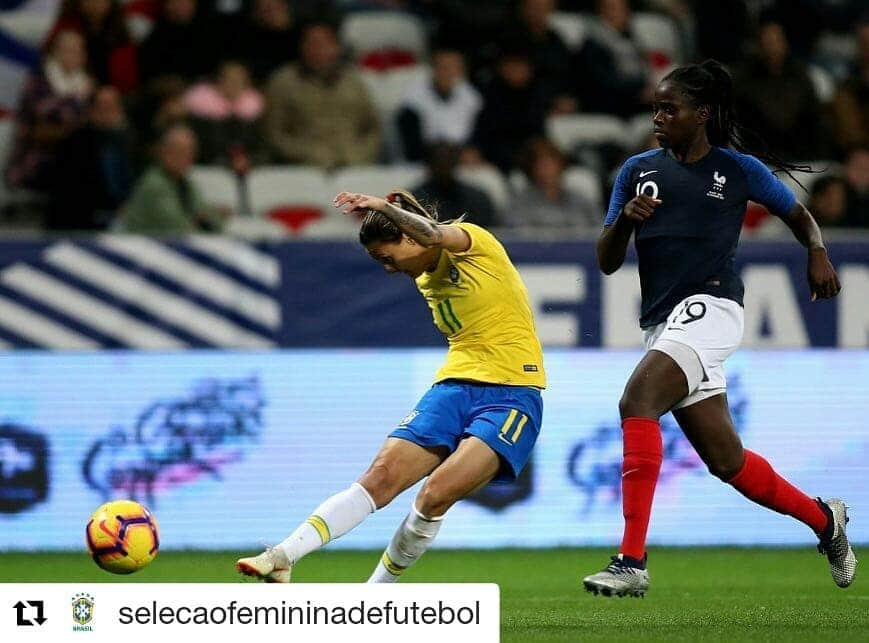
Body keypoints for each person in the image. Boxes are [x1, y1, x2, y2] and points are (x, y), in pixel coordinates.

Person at [582, 59, 856, 598]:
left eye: (670, 108)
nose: (658, 117)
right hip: (663, 324)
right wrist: (625, 223)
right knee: (728, 463)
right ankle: (825, 521)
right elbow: (607, 260)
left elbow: (798, 215)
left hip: (712, 307)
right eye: (656, 108)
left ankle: (631, 560)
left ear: (701, 114)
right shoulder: (636, 169)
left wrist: (818, 253)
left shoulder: (738, 170)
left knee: (637, 401)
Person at [236, 188, 546, 583]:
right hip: (453, 386)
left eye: (387, 258)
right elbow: (426, 237)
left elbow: (434, 234)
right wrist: (396, 215)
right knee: (379, 477)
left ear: (409, 240)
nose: (387, 269)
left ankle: (374, 596)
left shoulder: (474, 243)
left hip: (512, 392)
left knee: (435, 494)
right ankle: (284, 554)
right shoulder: (424, 273)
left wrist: (384, 207)